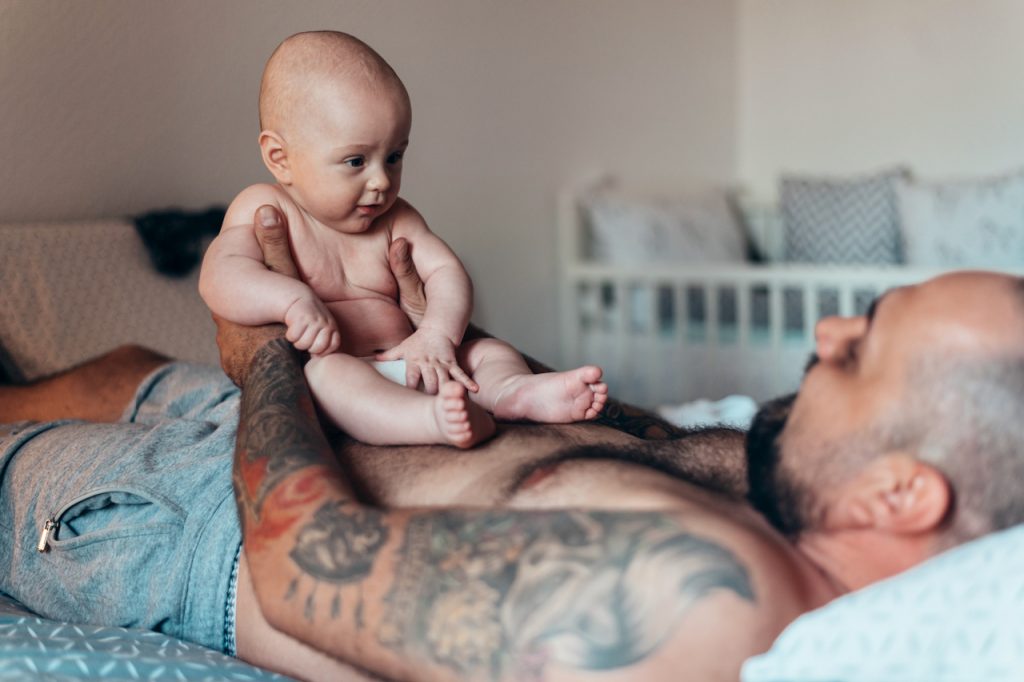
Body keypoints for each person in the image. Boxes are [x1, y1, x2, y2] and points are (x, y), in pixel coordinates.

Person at [2, 204, 1022, 681]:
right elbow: (597, 439)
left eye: (862, 349)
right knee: (117, 361)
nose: (824, 333)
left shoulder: (705, 599)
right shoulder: (794, 480)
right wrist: (445, 340)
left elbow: (298, 564)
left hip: (186, 518)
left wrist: (267, 357)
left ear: (901, 496)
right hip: (341, 404)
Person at [199, 31, 606, 449]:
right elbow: (220, 276)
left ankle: (512, 393)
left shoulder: (398, 218)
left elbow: (446, 272)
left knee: (488, 352)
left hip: (420, 356)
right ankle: (430, 420)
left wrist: (437, 335)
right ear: (279, 158)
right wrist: (290, 300)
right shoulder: (265, 206)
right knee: (327, 377)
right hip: (353, 366)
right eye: (356, 161)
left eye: (394, 156)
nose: (381, 181)